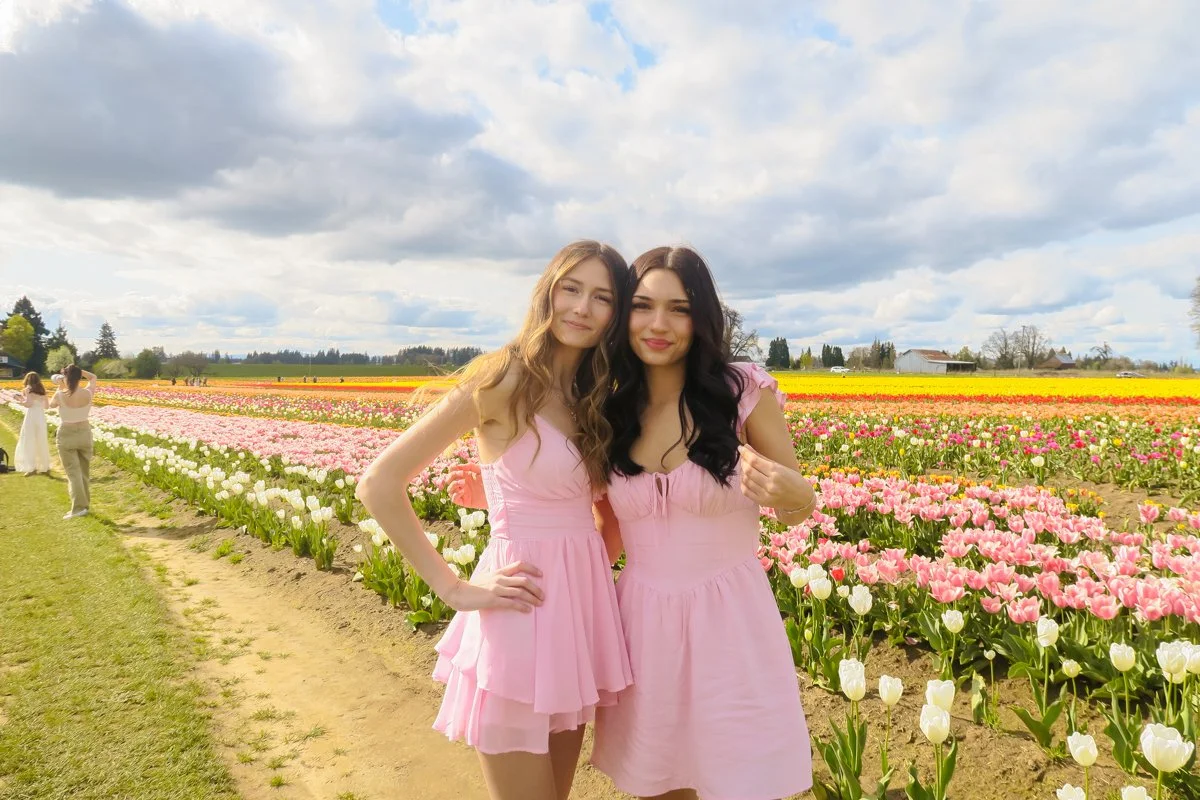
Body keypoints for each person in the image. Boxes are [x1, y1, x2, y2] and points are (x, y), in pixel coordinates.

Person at [450, 246, 818, 799]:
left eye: (679, 308)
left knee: (738, 780)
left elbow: (790, 503)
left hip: (730, 623)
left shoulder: (741, 392)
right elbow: (597, 516)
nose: (659, 324)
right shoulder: (611, 407)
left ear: (703, 318)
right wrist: (502, 499)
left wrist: (801, 496)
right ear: (625, 317)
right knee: (660, 783)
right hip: (643, 624)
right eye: (644, 306)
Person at [356, 240, 633, 800]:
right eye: (570, 289)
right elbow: (379, 484)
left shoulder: (596, 395)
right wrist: (453, 588)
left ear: (616, 312)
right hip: (518, 611)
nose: (582, 307)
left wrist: (584, 578)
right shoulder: (502, 379)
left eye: (602, 297)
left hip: (576, 620)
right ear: (547, 292)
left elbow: (598, 513)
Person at [48, 365, 97, 519]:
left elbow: (50, 405)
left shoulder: (60, 394)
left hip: (66, 434)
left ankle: (78, 508)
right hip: (84, 432)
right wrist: (79, 372)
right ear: (79, 377)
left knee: (73, 473)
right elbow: (93, 377)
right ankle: (84, 505)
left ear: (66, 377)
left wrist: (62, 382)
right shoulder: (87, 393)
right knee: (83, 472)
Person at [13, 372, 51, 475]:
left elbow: (28, 405)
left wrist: (19, 399)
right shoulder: (43, 392)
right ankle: (44, 466)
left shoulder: (29, 390)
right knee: (41, 440)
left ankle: (31, 467)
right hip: (40, 417)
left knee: (29, 440)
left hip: (31, 417)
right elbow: (47, 406)